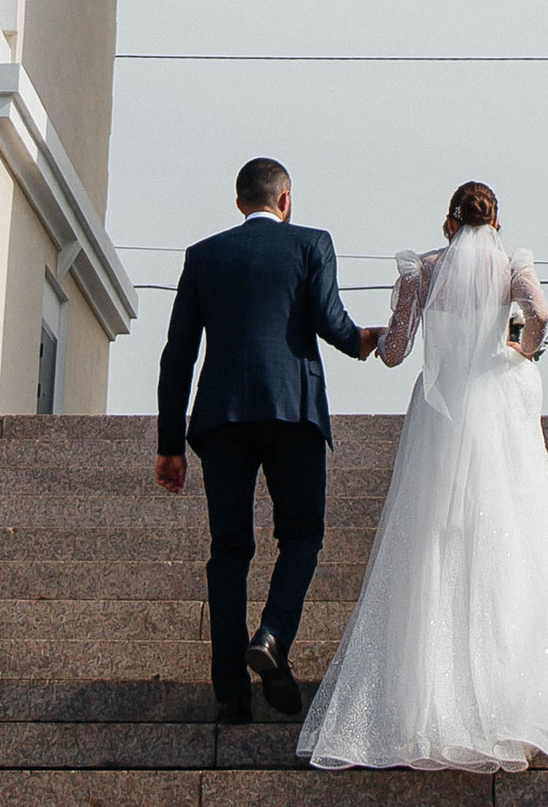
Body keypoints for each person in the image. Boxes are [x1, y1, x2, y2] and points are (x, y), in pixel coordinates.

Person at [298, 180, 548, 773]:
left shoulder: (422, 270)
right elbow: (541, 314)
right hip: (495, 406)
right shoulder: (510, 266)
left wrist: (379, 341)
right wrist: (521, 349)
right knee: (507, 537)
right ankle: (510, 698)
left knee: (432, 545)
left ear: (448, 221)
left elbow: (397, 351)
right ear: (495, 221)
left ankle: (429, 704)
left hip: (443, 412)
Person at [155, 155, 383, 723]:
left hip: (222, 417)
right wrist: (368, 341)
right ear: (285, 201)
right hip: (292, 410)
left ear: (240, 204)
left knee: (230, 548)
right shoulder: (311, 244)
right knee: (302, 535)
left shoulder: (204, 256)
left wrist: (169, 443)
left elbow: (177, 354)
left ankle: (229, 688)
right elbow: (332, 321)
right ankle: (274, 635)